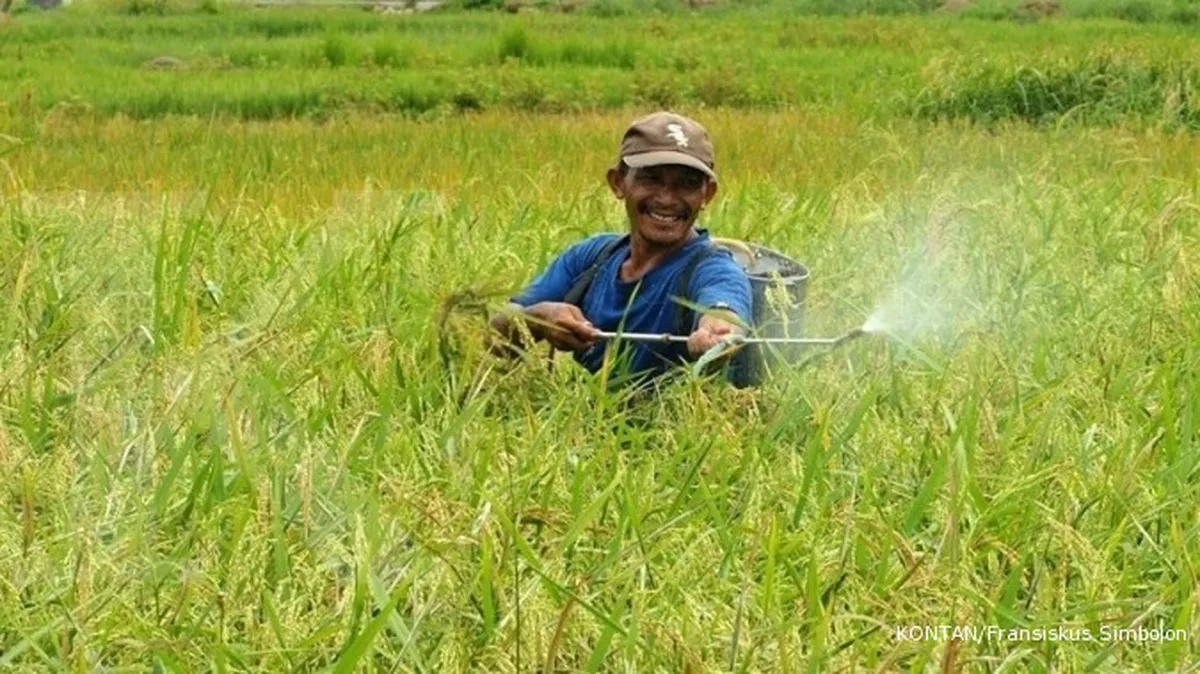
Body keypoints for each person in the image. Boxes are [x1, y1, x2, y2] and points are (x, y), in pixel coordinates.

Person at [489, 111, 753, 386]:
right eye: (650, 179)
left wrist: (717, 334)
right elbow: (490, 338)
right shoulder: (591, 258)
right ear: (618, 183)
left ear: (706, 195)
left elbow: (724, 311)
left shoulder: (714, 268)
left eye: (686, 184)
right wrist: (537, 318)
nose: (666, 198)